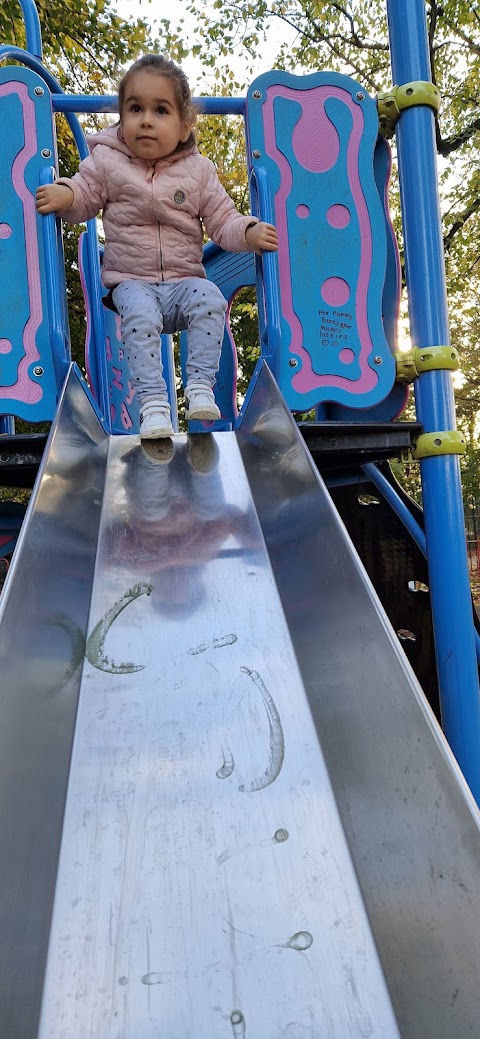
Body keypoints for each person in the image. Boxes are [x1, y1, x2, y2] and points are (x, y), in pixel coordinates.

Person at [36, 54, 279, 438]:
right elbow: (84, 194)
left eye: (160, 110)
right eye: (135, 108)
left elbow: (222, 220)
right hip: (132, 281)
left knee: (211, 299)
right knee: (139, 316)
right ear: (121, 117)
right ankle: (152, 404)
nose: (146, 119)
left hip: (184, 281)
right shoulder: (107, 162)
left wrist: (248, 232)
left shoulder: (199, 171)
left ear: (184, 126)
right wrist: (64, 193)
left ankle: (199, 386)